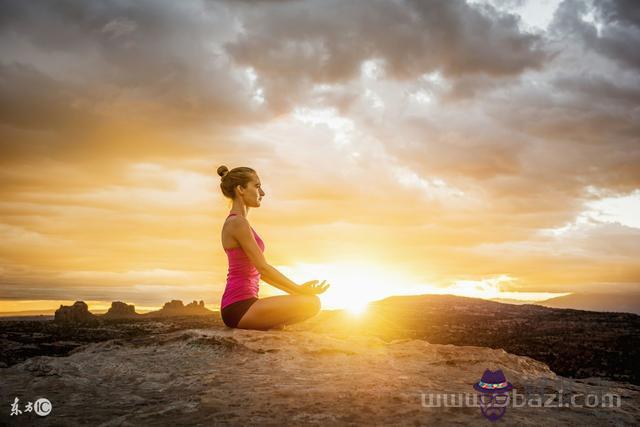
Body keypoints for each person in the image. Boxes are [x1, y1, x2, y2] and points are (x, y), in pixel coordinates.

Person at [217, 165, 330, 330]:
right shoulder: (237, 223)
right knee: (311, 303)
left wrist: (298, 291)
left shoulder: (240, 222)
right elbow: (263, 269)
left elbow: (261, 273)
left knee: (308, 302)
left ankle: (270, 325)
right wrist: (298, 290)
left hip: (244, 305)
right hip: (239, 307)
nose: (262, 193)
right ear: (240, 189)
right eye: (257, 186)